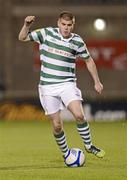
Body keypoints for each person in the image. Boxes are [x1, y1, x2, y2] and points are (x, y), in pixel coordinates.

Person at [18, 11, 105, 161]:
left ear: (73, 25)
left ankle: (89, 146)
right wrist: (26, 25)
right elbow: (22, 37)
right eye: (63, 24)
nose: (66, 28)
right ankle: (66, 154)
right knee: (57, 125)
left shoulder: (77, 41)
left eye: (69, 25)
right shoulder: (46, 33)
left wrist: (97, 81)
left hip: (67, 84)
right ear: (58, 23)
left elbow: (89, 60)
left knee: (79, 115)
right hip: (47, 87)